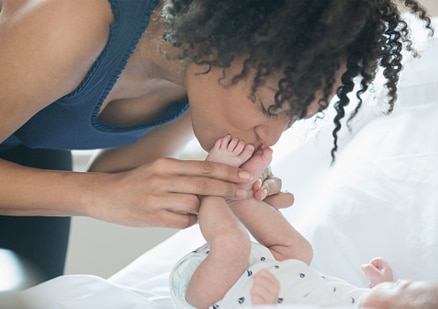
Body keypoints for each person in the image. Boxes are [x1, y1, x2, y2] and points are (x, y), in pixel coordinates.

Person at [0, 0, 433, 282]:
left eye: (294, 117)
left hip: (27, 162)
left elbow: (112, 176)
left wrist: (214, 191)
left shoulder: (194, 84)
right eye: (268, 107)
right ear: (218, 43)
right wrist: (102, 196)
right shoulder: (77, 18)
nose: (273, 136)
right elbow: (102, 190)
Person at [169, 136, 437, 308]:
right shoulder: (363, 301)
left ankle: (212, 187)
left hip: (214, 291)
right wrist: (384, 285)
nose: (404, 281)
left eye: (405, 287)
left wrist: (267, 304)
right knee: (300, 252)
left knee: (234, 244)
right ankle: (242, 195)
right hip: (259, 265)